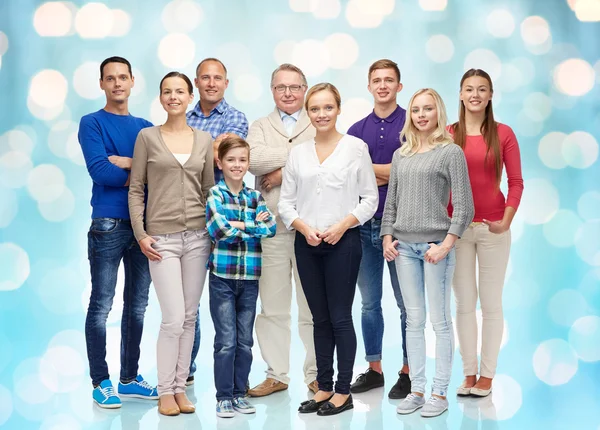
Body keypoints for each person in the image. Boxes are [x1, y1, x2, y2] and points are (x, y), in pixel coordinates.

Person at [279, 83, 378, 416]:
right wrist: (304, 228)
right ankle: (323, 387)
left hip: (343, 243)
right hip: (306, 243)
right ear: (308, 114)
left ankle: (343, 391)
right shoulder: (298, 153)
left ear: (338, 109)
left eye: (327, 108)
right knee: (317, 319)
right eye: (315, 109)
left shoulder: (355, 148)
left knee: (339, 318)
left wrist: (342, 225)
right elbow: (286, 203)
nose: (321, 114)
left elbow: (370, 199)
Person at [382, 88, 474, 417]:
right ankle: (417, 389)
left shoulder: (450, 152)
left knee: (439, 321)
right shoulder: (401, 155)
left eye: (428, 109)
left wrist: (447, 244)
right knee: (413, 321)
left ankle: (439, 392)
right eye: (417, 110)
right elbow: (391, 202)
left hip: (437, 246)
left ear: (438, 113)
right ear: (411, 115)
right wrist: (386, 237)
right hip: (403, 248)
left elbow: (464, 206)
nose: (421, 115)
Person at [128, 72, 214, 416]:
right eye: (167, 91)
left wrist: (214, 233)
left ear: (189, 97)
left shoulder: (204, 139)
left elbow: (209, 191)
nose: (174, 96)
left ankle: (180, 390)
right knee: (173, 318)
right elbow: (136, 189)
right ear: (161, 98)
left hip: (198, 237)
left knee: (190, 316)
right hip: (160, 239)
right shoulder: (147, 137)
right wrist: (141, 233)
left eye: (180, 91)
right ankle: (165, 390)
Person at [78, 56, 157, 409]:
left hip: (144, 225)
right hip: (108, 223)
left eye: (122, 77)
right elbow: (100, 172)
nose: (117, 84)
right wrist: (138, 172)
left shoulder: (145, 127)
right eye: (110, 78)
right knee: (101, 305)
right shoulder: (91, 123)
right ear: (101, 84)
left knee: (137, 306)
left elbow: (161, 175)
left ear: (132, 81)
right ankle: (101, 382)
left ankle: (129, 378)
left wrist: (125, 163)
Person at [450, 69, 523, 397]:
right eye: (469, 89)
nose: (475, 94)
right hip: (458, 231)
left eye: (482, 89)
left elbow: (516, 182)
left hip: (493, 229)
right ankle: (468, 372)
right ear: (461, 94)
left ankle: (487, 375)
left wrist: (506, 220)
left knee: (491, 303)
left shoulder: (503, 133)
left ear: (491, 95)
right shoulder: (448, 134)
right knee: (464, 302)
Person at [247, 63, 318, 397]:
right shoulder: (260, 126)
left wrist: (277, 172)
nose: (288, 93)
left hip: (311, 229)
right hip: (271, 229)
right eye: (280, 87)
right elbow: (253, 161)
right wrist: (299, 156)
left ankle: (317, 374)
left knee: (313, 306)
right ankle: (276, 374)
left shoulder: (318, 119)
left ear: (305, 89)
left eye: (294, 87)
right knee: (272, 306)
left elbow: (326, 163)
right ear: (272, 90)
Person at [347, 59, 411, 398]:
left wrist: (371, 169)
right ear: (369, 86)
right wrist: (389, 169)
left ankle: (408, 370)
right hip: (363, 226)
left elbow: (410, 170)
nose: (383, 85)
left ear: (399, 86)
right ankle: (374, 370)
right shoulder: (356, 130)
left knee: (406, 304)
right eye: (377, 80)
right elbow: (349, 176)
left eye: (389, 80)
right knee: (369, 303)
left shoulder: (412, 124)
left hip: (401, 227)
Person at [186, 57, 249, 385]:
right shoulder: (182, 116)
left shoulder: (237, 118)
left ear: (226, 83)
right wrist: (207, 149)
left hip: (226, 218)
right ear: (196, 82)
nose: (211, 83)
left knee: (231, 296)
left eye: (218, 78)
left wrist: (194, 151)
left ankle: (234, 378)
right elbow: (207, 154)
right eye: (205, 78)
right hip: (189, 216)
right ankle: (187, 370)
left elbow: (223, 157)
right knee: (189, 298)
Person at [205, 137, 277, 418]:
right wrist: (250, 226)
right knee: (226, 341)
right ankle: (223, 396)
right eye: (231, 160)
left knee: (245, 340)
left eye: (242, 160)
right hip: (222, 277)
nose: (237, 165)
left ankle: (239, 393)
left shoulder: (255, 197)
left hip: (249, 278)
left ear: (248, 164)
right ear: (220, 163)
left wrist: (239, 224)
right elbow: (220, 231)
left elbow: (270, 227)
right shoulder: (215, 195)